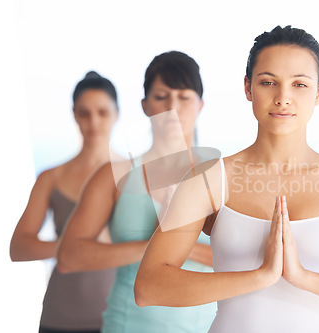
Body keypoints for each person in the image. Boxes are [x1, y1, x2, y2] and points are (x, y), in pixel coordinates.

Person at [134, 26, 319, 332]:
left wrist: (303, 277)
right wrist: (260, 276)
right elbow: (149, 286)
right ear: (248, 88)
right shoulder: (208, 180)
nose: (283, 98)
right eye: (268, 82)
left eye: (299, 84)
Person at [57, 51, 217, 333]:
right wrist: (156, 246)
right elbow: (70, 256)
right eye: (161, 96)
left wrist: (180, 245)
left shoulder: (222, 178)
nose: (172, 107)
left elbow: (245, 261)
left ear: (200, 105)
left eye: (184, 97)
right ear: (145, 105)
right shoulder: (113, 176)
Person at [10, 71, 118, 333]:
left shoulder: (137, 177)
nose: (93, 121)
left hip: (120, 317)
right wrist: (74, 247)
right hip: (61, 318)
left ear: (116, 114)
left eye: (102, 112)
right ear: (74, 115)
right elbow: (19, 247)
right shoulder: (52, 178)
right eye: (84, 113)